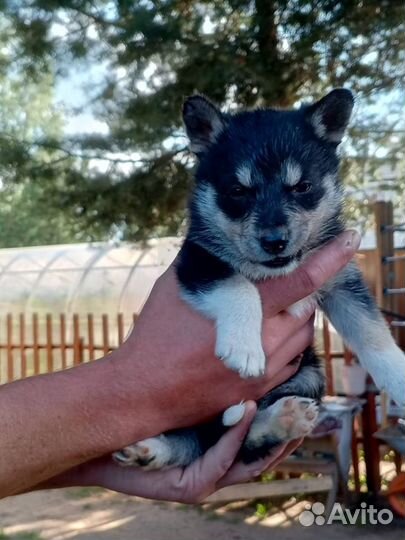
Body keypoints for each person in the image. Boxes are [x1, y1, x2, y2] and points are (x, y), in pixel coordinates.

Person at [0, 230, 361, 501]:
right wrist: (137, 389)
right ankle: (181, 446)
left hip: (264, 389)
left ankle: (214, 438)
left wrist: (92, 462)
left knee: (300, 383)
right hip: (210, 394)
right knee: (198, 429)